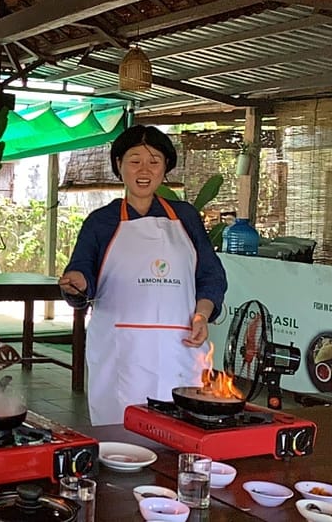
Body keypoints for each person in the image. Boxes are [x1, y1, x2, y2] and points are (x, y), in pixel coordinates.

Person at [58, 125, 227, 426]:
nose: (144, 169)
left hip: (181, 347)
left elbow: (211, 276)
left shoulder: (186, 217)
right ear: (119, 166)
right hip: (121, 352)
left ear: (166, 169)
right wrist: (77, 282)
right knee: (122, 436)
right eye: (135, 160)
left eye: (154, 161)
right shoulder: (101, 222)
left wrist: (201, 315)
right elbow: (82, 274)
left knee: (182, 430)